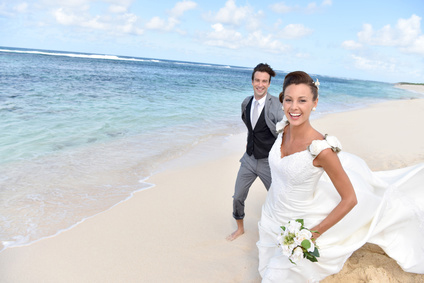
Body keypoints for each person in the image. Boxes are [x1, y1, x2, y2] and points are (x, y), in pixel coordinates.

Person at [257, 71, 424, 282]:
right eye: (288, 100)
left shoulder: (321, 150)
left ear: (314, 103)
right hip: (273, 213)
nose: (293, 107)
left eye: (302, 100)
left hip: (301, 222)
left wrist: (311, 235)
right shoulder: (284, 129)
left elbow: (350, 199)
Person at [227, 63, 284, 241]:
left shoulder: (276, 105)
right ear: (252, 81)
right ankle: (240, 228)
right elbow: (249, 126)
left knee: (278, 199)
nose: (260, 84)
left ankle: (282, 232)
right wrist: (251, 143)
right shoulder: (246, 103)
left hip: (268, 161)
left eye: (264, 81)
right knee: (237, 196)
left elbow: (284, 130)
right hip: (249, 160)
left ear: (269, 83)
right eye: (257, 80)